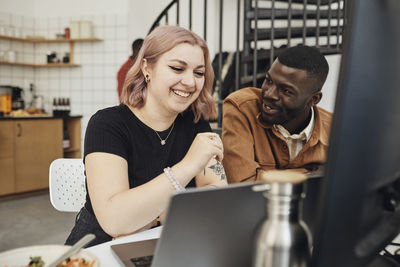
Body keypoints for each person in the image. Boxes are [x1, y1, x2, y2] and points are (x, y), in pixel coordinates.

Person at [66, 26, 227, 246]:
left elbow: (217, 198)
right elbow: (114, 221)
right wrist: (189, 165)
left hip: (167, 241)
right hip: (100, 247)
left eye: (199, 73)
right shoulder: (107, 124)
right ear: (146, 68)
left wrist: (151, 217)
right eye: (177, 68)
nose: (191, 82)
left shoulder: (196, 124)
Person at [222, 45, 332, 183]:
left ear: (313, 99)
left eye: (286, 91)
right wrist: (311, 175)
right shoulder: (241, 108)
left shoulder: (334, 129)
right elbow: (242, 184)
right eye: (268, 81)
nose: (269, 94)